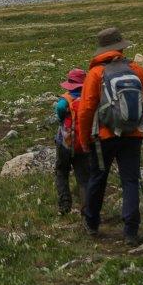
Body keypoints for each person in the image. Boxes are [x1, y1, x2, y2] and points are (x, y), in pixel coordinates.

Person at [76, 27, 143, 243]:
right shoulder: (136, 69)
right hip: (133, 133)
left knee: (98, 178)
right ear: (120, 47)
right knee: (130, 180)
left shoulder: (96, 74)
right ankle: (130, 231)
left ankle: (91, 223)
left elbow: (86, 110)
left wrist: (84, 140)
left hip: (103, 137)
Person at [53, 68, 92, 215]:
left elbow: (60, 112)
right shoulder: (89, 98)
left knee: (62, 172)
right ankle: (87, 209)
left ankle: (64, 205)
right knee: (83, 177)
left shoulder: (65, 100)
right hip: (83, 143)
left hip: (65, 143)